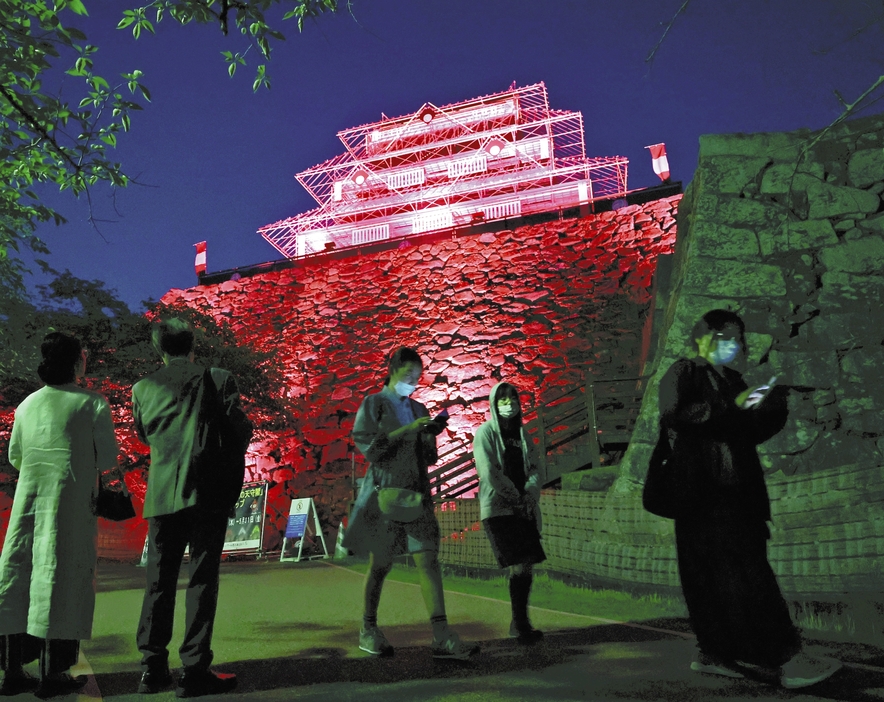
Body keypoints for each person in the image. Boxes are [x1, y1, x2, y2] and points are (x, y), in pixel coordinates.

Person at [659, 309, 841, 689]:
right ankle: (784, 657)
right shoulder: (684, 373)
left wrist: (771, 411)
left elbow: (745, 435)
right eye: (728, 336)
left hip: (735, 494)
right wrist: (733, 409)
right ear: (705, 337)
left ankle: (716, 653)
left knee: (727, 577)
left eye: (738, 338)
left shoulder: (734, 381)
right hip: (702, 496)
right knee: (740, 578)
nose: (736, 345)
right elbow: (677, 415)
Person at [132, 318, 252, 697]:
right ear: (192, 344)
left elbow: (145, 434)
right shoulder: (216, 377)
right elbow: (240, 429)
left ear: (159, 349)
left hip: (162, 495)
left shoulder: (142, 388)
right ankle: (194, 668)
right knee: (202, 578)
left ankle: (152, 668)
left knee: (158, 582)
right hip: (205, 493)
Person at [0, 332, 119, 697]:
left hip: (28, 505)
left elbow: (15, 457)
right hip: (70, 505)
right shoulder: (92, 403)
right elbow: (109, 457)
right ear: (78, 361)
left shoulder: (26, 406)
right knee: (64, 581)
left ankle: (13, 671)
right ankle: (55, 674)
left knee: (17, 581)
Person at [344, 347, 479, 660]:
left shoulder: (419, 408)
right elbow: (370, 448)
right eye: (408, 375)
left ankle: (442, 635)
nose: (413, 382)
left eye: (417, 377)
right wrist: (407, 430)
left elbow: (428, 458)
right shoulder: (373, 403)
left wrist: (431, 433)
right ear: (392, 370)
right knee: (380, 564)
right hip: (385, 494)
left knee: (428, 560)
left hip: (417, 495)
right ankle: (368, 627)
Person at [473, 382, 546, 643]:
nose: (508, 403)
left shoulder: (523, 435)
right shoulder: (485, 433)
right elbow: (489, 471)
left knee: (526, 565)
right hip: (499, 508)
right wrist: (516, 497)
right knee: (517, 564)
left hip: (522, 507)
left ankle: (520, 621)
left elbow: (536, 467)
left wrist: (529, 494)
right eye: (503, 399)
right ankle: (521, 624)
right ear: (494, 404)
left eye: (513, 398)